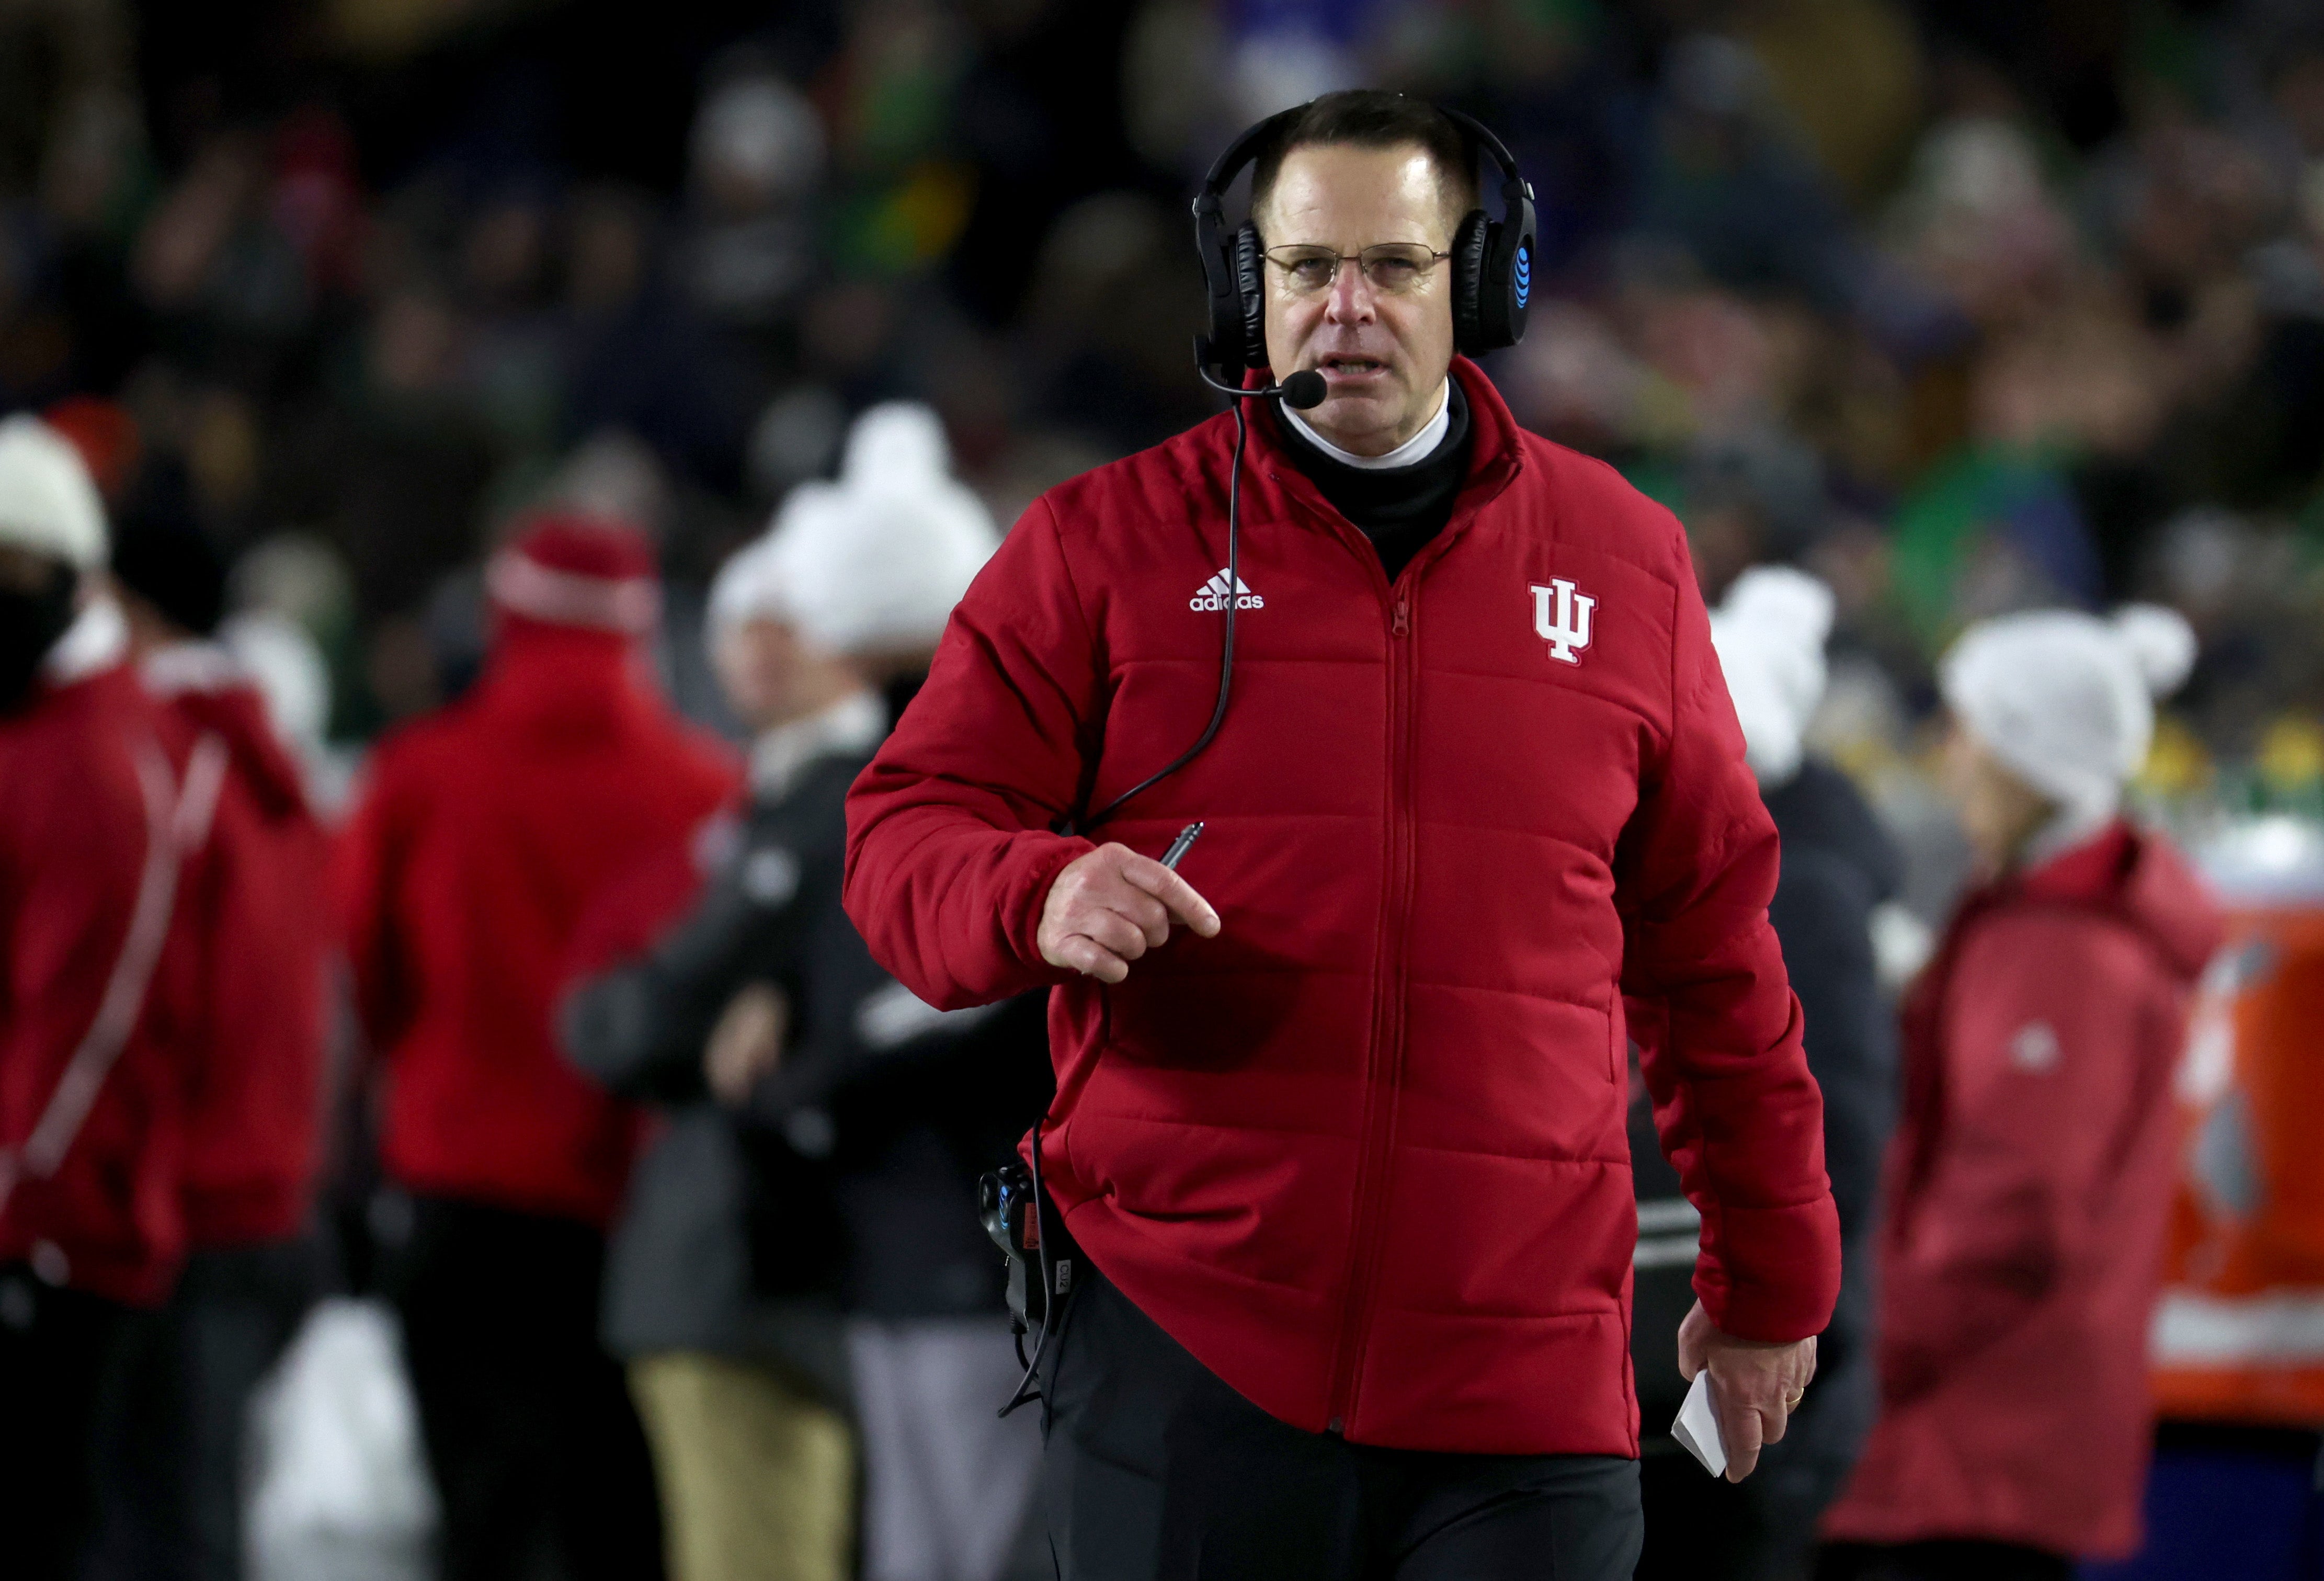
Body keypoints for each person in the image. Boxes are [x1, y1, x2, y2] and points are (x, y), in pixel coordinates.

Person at [844, 90, 1840, 1578]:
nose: (1346, 310)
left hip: (1523, 1378)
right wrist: (1031, 889)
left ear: (1480, 282)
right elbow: (903, 830)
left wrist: (1771, 1281)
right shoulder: (1103, 545)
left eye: (1397, 264)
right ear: (1248, 289)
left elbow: (1711, 955)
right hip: (1185, 1342)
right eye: (1307, 269)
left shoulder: (1625, 564)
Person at [563, 403, 1051, 1581]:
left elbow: (956, 990)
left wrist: (798, 1072)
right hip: (882, 1242)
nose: (762, 655)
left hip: (942, 1238)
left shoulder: (932, 780)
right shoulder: (876, 782)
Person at [337, 512, 737, 1581]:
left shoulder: (421, 774)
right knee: (625, 1521)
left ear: (503, 615)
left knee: (485, 1523)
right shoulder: (707, 794)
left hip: (459, 1194)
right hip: (636, 1212)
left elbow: (364, 973)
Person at [1818, 606, 2224, 1581]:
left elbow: (2016, 1206)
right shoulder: (2044, 925)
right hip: (1978, 1432)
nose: (1947, 758)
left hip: (1970, 1442)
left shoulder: (2066, 955)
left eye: (1965, 729)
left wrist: (1869, 1350)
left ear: (2022, 754)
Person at [74, 469, 335, 1581]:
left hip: (177, 1203)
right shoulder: (252, 758)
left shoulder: (154, 762)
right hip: (265, 1190)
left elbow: (136, 992)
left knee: (151, 1529)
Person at [1634, 568, 1902, 1581]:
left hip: (1747, 1364)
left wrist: (1775, 1310)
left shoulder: (1805, 901)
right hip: (1660, 1356)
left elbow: (1832, 1142)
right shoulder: (1659, 879)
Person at [0, 417, 214, 1579]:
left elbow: (93, 1005)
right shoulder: (36, 733)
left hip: (60, 1233)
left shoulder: (95, 755)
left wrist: (20, 1185)